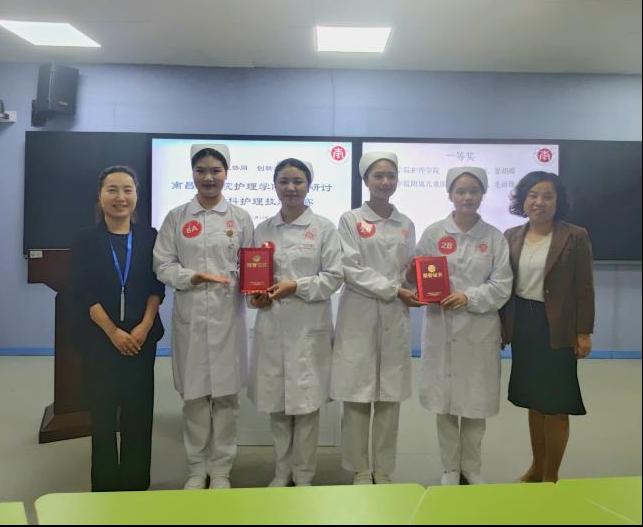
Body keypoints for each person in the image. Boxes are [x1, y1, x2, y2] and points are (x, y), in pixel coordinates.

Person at [153, 144, 254, 489]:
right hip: (192, 318)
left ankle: (222, 468)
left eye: (215, 170)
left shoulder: (240, 218)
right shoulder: (177, 217)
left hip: (228, 318)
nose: (208, 177)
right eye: (201, 171)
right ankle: (197, 467)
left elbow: (253, 264)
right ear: (192, 174)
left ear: (226, 173)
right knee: (195, 398)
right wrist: (190, 277)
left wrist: (255, 285)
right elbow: (162, 264)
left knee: (226, 398)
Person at [411, 167, 513, 485]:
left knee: (475, 404)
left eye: (473, 191)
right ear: (450, 195)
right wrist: (420, 287)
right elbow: (418, 273)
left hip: (478, 329)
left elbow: (502, 285)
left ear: (483, 195)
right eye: (461, 191)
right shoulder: (433, 233)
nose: (467, 197)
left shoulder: (494, 238)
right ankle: (450, 469)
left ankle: (472, 467)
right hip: (441, 326)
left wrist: (468, 297)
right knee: (444, 403)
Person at [248, 158, 343, 487]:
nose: (290, 188)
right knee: (277, 405)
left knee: (306, 407)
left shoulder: (324, 229)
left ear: (308, 185)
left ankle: (303, 475)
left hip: (308, 328)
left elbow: (333, 277)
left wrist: (296, 286)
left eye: (297, 181)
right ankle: (281, 471)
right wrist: (256, 296)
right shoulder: (263, 229)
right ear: (274, 186)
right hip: (272, 325)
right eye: (284, 182)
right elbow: (254, 276)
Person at [72, 165, 165, 492]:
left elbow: (156, 287)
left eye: (127, 189)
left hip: (141, 339)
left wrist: (144, 327)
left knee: (139, 414)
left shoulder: (150, 237)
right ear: (100, 196)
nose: (120, 197)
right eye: (112, 189)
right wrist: (113, 332)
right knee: (103, 416)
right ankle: (105, 486)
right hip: (100, 340)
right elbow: (83, 292)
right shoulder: (85, 239)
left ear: (136, 195)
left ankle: (136, 484)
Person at [331, 152, 422, 485]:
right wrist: (395, 290)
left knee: (388, 399)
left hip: (394, 317)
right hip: (360, 314)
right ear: (366, 180)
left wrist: (414, 285)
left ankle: (383, 470)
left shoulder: (406, 224)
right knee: (357, 398)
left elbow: (408, 270)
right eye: (378, 176)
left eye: (390, 176)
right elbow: (350, 268)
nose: (385, 182)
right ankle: (360, 468)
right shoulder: (350, 220)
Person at [502, 171, 594, 483]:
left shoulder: (575, 236)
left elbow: (585, 287)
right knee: (534, 400)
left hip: (557, 327)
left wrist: (583, 331)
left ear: (557, 202)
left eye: (547, 196)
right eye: (533, 195)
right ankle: (537, 467)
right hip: (523, 325)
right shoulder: (511, 236)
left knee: (555, 403)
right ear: (523, 200)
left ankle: (551, 475)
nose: (539, 202)